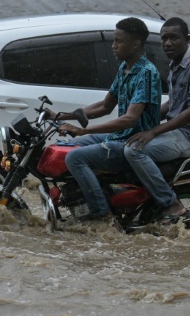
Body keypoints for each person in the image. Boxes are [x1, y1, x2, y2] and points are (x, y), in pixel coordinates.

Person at [56, 17, 162, 221]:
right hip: (119, 136)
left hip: (130, 142)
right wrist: (64, 116)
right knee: (69, 147)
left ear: (136, 44)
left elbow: (130, 119)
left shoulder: (147, 73)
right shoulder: (124, 69)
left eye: (118, 41)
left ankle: (101, 214)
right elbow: (106, 106)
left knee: (75, 158)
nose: (113, 46)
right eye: (114, 41)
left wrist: (85, 129)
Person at [124, 17, 190, 223]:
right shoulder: (176, 65)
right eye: (164, 39)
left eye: (174, 38)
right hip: (177, 133)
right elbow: (172, 105)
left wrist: (153, 131)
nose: (167, 43)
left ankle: (170, 204)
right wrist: (143, 120)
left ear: (187, 39)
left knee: (133, 150)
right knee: (126, 140)